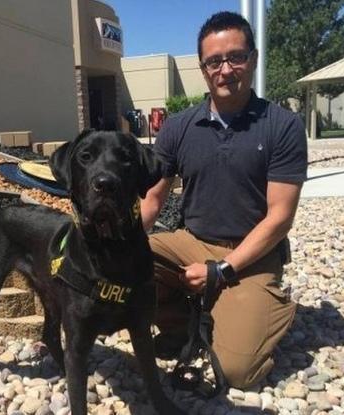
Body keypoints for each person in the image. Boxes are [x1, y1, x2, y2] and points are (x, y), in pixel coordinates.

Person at [141, 11, 308, 389]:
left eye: (236, 57)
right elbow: (152, 200)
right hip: (192, 242)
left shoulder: (282, 126)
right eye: (214, 61)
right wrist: (113, 247)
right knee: (123, 260)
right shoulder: (179, 127)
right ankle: (181, 323)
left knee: (236, 372)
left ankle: (266, 306)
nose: (226, 69)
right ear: (203, 68)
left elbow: (280, 218)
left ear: (254, 58)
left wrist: (221, 270)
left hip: (253, 255)